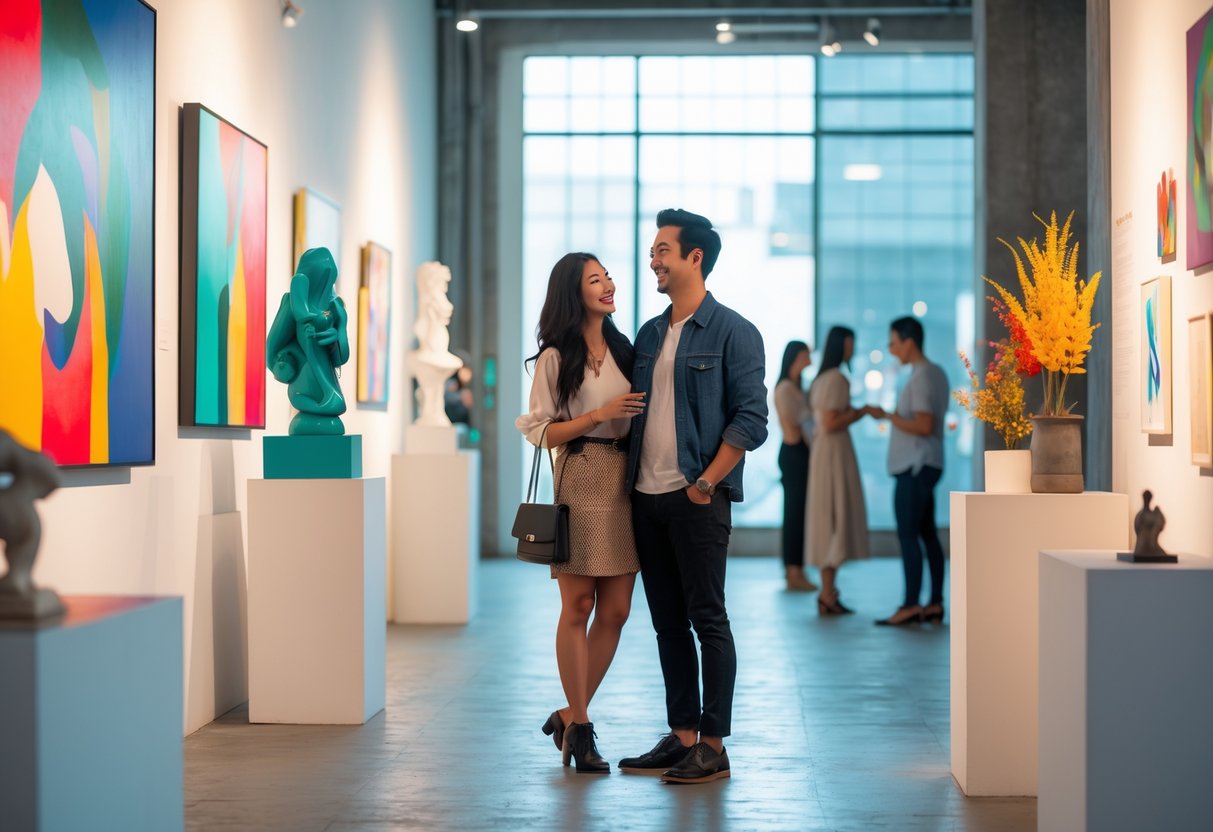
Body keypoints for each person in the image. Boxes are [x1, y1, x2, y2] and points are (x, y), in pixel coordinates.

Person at [618, 209, 768, 785]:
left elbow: (751, 420)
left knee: (708, 619)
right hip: (646, 497)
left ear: (694, 258)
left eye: (662, 250)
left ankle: (713, 743)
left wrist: (707, 481)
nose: (653, 261)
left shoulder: (735, 331)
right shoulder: (652, 334)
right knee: (666, 624)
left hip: (697, 497)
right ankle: (682, 737)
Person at [515, 252, 647, 774]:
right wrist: (597, 415)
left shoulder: (625, 348)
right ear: (575, 292)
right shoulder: (555, 356)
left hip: (624, 482)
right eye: (596, 279)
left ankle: (570, 715)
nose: (609, 284)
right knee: (579, 606)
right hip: (580, 473)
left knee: (616, 610)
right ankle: (584, 729)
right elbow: (537, 430)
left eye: (608, 276)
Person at [866, 317, 950, 626]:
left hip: (915, 465)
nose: (891, 350)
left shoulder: (922, 377)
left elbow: (924, 424)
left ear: (908, 341)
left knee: (909, 535)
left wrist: (887, 415)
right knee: (927, 534)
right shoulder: (935, 373)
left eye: (893, 343)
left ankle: (912, 604)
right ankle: (935, 603)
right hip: (928, 463)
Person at [806, 325, 869, 615]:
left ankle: (828, 591)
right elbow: (831, 421)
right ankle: (828, 592)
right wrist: (860, 412)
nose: (852, 348)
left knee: (827, 516)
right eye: (850, 343)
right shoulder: (837, 379)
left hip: (825, 452)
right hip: (834, 452)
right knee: (834, 515)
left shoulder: (822, 379)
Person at [774, 340, 817, 592]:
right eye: (805, 355)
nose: (809, 360)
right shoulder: (787, 388)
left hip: (797, 452)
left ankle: (796, 569)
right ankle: (794, 571)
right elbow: (798, 426)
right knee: (794, 515)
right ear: (796, 357)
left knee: (797, 514)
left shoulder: (796, 387)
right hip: (794, 452)